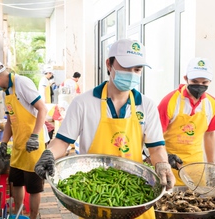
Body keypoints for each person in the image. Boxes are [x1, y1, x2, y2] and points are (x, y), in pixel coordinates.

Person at [34, 39, 176, 219]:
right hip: (94, 197)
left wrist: (162, 164)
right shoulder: (83, 103)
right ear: (109, 64)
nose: (132, 74)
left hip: (134, 199)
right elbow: (62, 142)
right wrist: (49, 154)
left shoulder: (146, 106)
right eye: (126, 67)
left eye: (137, 70)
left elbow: (156, 148)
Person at [0, 59, 48, 219]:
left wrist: (35, 136)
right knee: (16, 181)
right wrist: (3, 142)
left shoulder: (22, 83)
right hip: (18, 144)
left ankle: (33, 216)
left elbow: (42, 108)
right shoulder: (5, 91)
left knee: (34, 187)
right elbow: (10, 119)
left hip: (34, 144)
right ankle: (17, 213)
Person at [157, 57, 215, 185]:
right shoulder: (170, 101)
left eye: (204, 83)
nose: (200, 86)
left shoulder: (212, 104)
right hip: (170, 164)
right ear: (185, 78)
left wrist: (211, 165)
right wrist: (163, 159)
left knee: (199, 202)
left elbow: (210, 135)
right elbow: (155, 135)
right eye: (195, 81)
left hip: (196, 166)